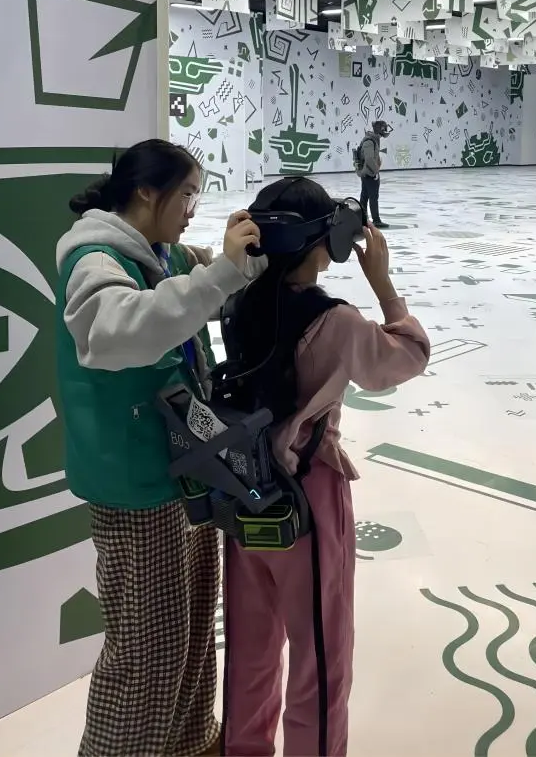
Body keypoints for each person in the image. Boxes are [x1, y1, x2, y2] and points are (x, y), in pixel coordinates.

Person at [56, 139, 264, 756]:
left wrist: (251, 252)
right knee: (145, 653)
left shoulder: (161, 254)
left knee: (193, 632)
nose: (194, 209)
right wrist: (222, 272)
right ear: (147, 191)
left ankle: (189, 745)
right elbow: (121, 332)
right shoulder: (95, 260)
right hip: (134, 483)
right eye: (188, 194)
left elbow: (206, 286)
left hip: (183, 469)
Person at [221, 177, 430, 756]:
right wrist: (384, 286)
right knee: (320, 651)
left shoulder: (237, 303)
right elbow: (405, 360)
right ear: (324, 243)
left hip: (243, 485)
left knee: (249, 645)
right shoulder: (336, 320)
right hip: (308, 495)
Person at [355, 120, 391, 229]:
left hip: (367, 173)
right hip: (369, 173)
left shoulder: (372, 140)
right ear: (380, 129)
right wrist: (375, 172)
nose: (385, 131)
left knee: (365, 196)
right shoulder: (370, 141)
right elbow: (369, 159)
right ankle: (376, 220)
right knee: (372, 197)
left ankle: (363, 219)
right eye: (384, 128)